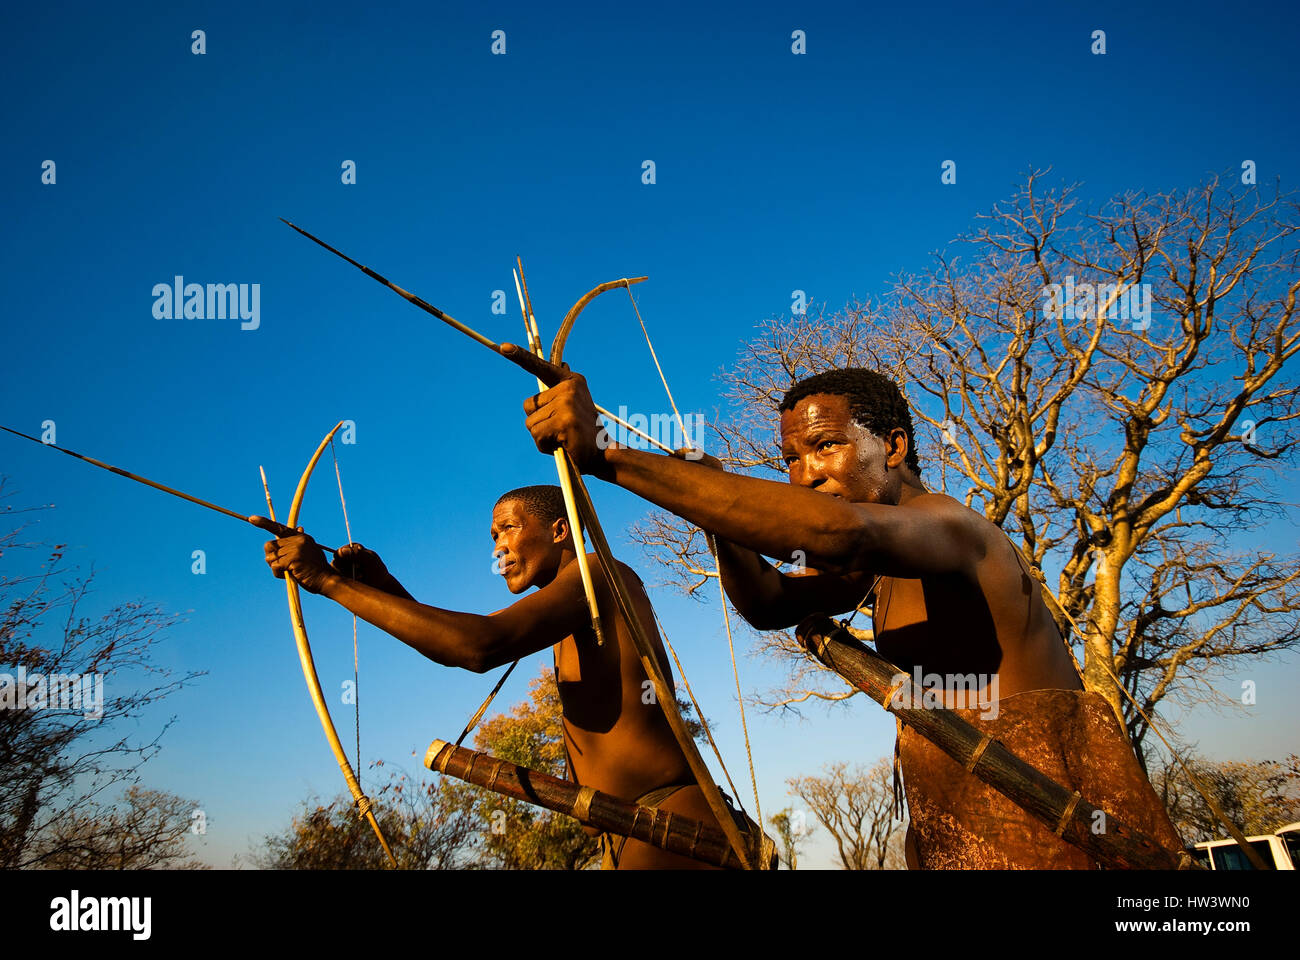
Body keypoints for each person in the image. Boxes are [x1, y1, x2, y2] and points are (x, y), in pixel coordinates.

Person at [514, 353, 1184, 868]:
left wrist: (604, 456)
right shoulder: (877, 567)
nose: (803, 474)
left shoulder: (947, 527)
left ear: (892, 446)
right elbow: (769, 602)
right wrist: (719, 515)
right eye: (789, 458)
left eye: (825, 446)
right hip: (960, 812)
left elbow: (840, 533)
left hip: (1050, 816)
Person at [252, 484, 725, 870]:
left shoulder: (596, 573)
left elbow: (478, 645)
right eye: (493, 538)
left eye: (508, 530)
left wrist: (329, 583)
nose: (498, 548)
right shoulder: (568, 602)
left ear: (560, 530)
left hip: (669, 830)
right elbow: (461, 640)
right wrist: (378, 585)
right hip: (630, 835)